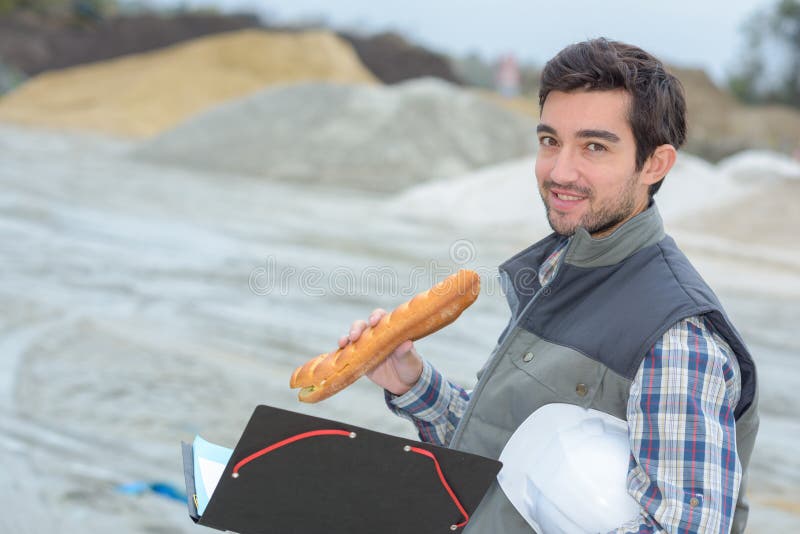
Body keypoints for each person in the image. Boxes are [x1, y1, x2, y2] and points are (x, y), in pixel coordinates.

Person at [341, 38, 758, 533]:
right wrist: (411, 383)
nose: (560, 171)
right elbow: (511, 458)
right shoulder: (557, 270)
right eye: (549, 141)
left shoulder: (675, 336)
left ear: (655, 164)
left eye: (594, 147)